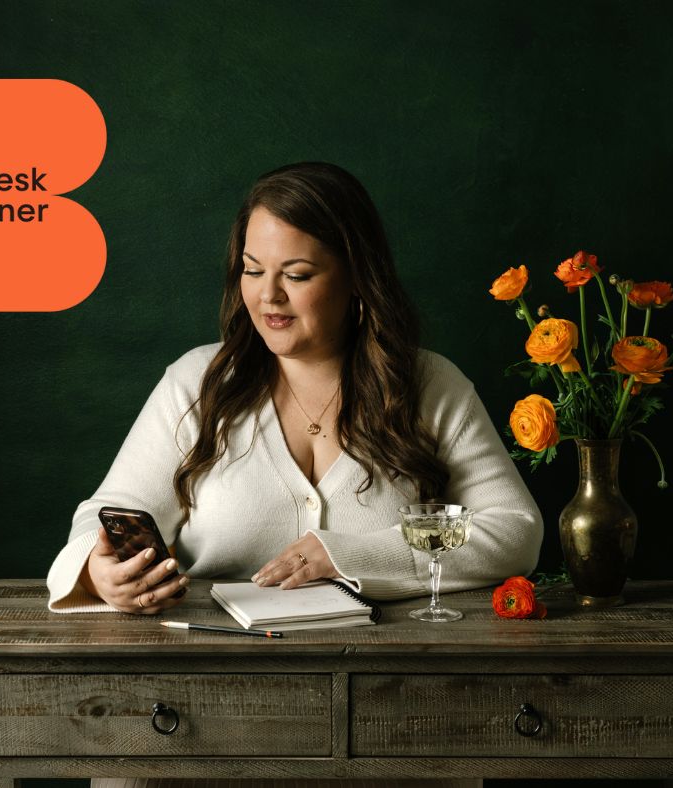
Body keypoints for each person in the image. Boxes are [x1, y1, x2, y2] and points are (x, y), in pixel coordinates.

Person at [46, 161, 543, 788]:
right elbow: (104, 516)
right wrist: (100, 573)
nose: (268, 296)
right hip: (200, 713)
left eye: (297, 274)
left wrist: (350, 555)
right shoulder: (197, 383)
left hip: (393, 717)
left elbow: (516, 530)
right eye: (253, 270)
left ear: (357, 276)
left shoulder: (430, 386)